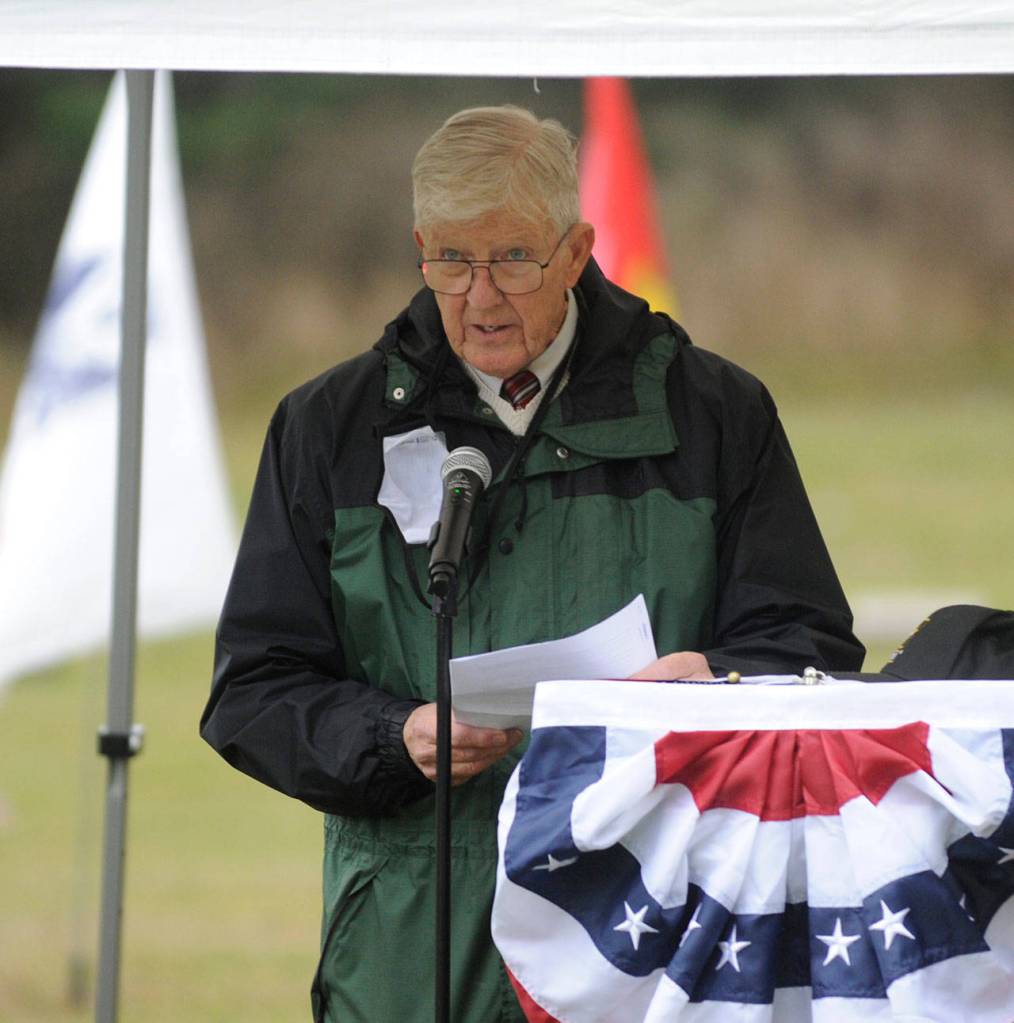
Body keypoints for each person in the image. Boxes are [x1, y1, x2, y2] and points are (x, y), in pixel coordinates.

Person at [200, 105, 864, 1022]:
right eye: (450, 261)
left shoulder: (714, 411)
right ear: (420, 248)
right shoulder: (329, 428)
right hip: (410, 940)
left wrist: (718, 681)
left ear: (578, 247)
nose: (479, 297)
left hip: (652, 932)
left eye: (513, 258)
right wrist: (397, 736)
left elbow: (811, 646)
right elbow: (253, 693)